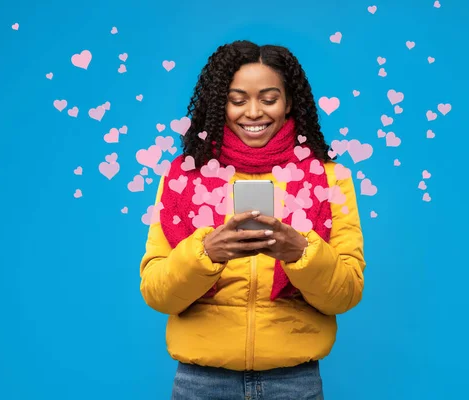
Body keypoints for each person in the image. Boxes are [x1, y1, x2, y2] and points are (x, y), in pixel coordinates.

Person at [139, 40, 366, 400]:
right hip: (201, 384)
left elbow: (345, 294)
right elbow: (157, 293)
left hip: (294, 383)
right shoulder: (183, 179)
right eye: (238, 99)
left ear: (289, 102)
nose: (254, 112)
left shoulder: (330, 179)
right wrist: (205, 253)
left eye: (269, 98)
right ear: (220, 104)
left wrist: (302, 253)